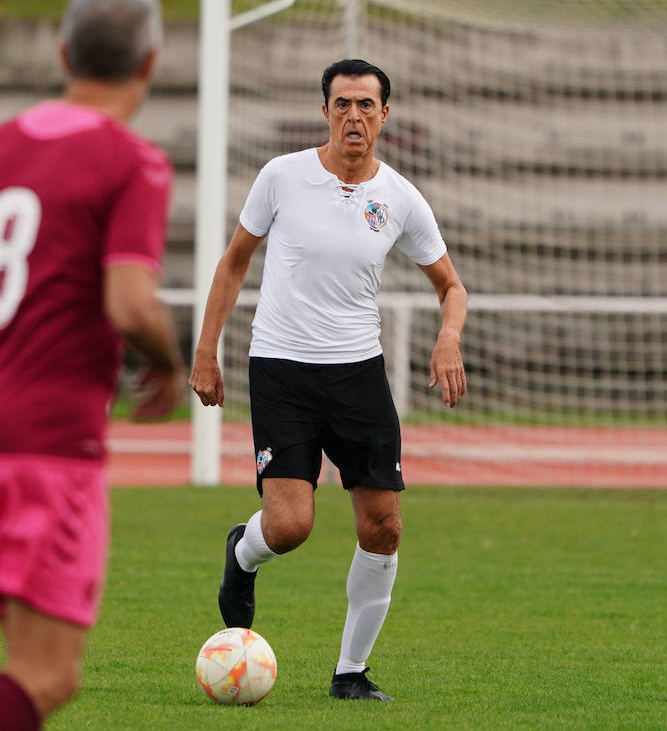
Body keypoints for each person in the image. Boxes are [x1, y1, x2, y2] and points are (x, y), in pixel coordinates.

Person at [0, 0, 185, 729]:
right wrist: (164, 363)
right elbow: (128, 304)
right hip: (49, 446)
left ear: (64, 54)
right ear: (150, 64)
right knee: (47, 675)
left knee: (23, 669)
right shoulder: (133, 160)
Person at [190, 58, 468, 701]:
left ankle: (350, 674)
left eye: (366, 106)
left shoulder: (399, 197)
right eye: (342, 104)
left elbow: (451, 286)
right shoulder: (281, 177)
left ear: (384, 116)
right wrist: (207, 352)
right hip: (282, 368)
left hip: (359, 376)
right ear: (325, 112)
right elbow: (233, 265)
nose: (354, 116)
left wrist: (448, 336)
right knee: (289, 526)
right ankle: (243, 552)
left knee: (385, 527)